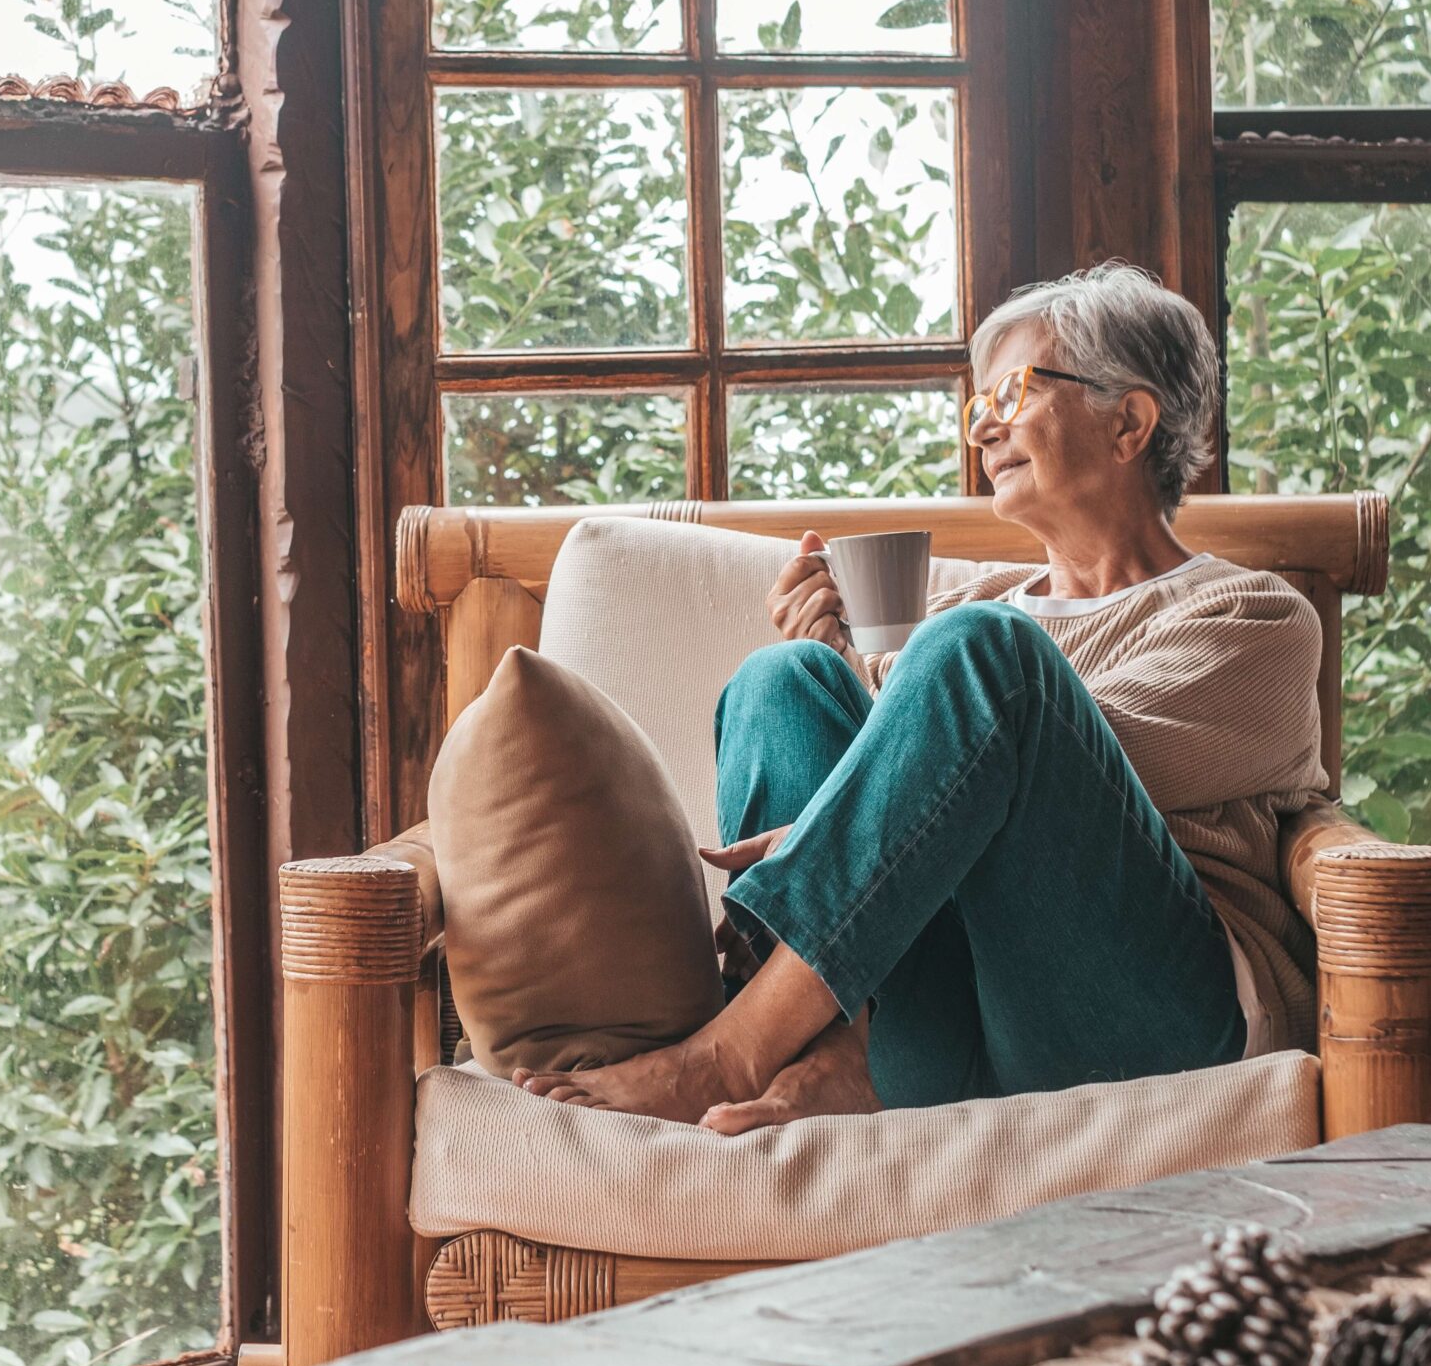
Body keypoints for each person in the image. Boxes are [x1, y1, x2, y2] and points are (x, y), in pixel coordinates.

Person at [516, 261, 1327, 1133]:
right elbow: (922, 779)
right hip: (950, 1027)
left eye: (1013, 391)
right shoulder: (969, 622)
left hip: (1141, 1020)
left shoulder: (1253, 616)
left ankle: (731, 1049)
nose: (984, 429)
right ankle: (845, 1054)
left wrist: (837, 827)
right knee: (781, 679)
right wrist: (828, 654)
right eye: (979, 405)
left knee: (982, 658)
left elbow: (1045, 776)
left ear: (1129, 422)